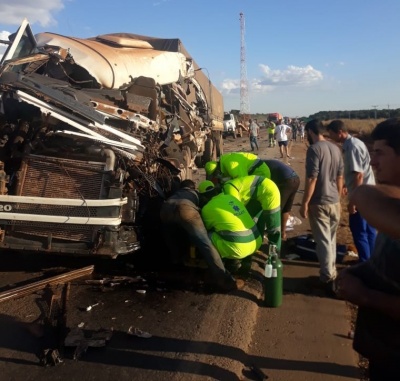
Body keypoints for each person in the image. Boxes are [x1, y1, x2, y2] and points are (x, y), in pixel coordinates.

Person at [336, 118, 400, 380]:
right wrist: (359, 271)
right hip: (385, 350)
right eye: (372, 152)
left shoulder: (382, 206)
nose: (373, 161)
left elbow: (363, 195)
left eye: (380, 153)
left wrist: (365, 295)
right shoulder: (389, 209)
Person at [159, 179, 238, 292]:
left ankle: (176, 261)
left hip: (165, 208)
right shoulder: (194, 193)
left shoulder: (176, 193)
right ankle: (224, 280)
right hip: (186, 209)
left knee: (170, 235)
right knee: (205, 244)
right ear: (193, 187)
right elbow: (204, 211)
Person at [299, 119, 344, 296]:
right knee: (331, 239)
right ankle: (331, 273)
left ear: (310, 131)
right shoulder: (336, 148)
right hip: (334, 201)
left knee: (323, 241)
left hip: (320, 202)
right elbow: (340, 177)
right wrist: (338, 197)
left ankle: (327, 279)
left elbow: (312, 178)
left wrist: (305, 203)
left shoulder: (314, 150)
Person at [326, 119, 376, 262]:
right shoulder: (356, 143)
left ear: (340, 132)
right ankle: (373, 261)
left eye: (331, 134)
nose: (330, 137)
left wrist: (354, 201)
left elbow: (358, 175)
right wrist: (347, 185)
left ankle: (365, 262)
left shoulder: (352, 147)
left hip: (362, 195)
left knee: (359, 231)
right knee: (370, 230)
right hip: (369, 192)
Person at [199, 180, 262, 267]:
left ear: (203, 197)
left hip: (239, 249)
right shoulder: (231, 197)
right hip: (257, 241)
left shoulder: (207, 208)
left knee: (205, 236)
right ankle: (244, 261)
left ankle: (224, 263)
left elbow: (207, 228)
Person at [222, 175, 281, 251]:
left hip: (269, 191)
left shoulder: (229, 192)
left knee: (273, 227)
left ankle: (274, 256)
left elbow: (237, 211)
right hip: (255, 195)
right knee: (252, 222)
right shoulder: (226, 190)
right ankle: (256, 245)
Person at [264, 159, 300, 241]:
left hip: (285, 180)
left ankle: (274, 237)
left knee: (276, 210)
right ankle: (283, 233)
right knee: (286, 209)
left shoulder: (259, 168)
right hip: (295, 179)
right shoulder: (266, 163)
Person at [205, 152, 271, 184]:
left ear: (217, 171)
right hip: (253, 172)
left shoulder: (231, 165)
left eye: (215, 176)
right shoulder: (224, 161)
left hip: (261, 174)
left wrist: (222, 181)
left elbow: (242, 181)